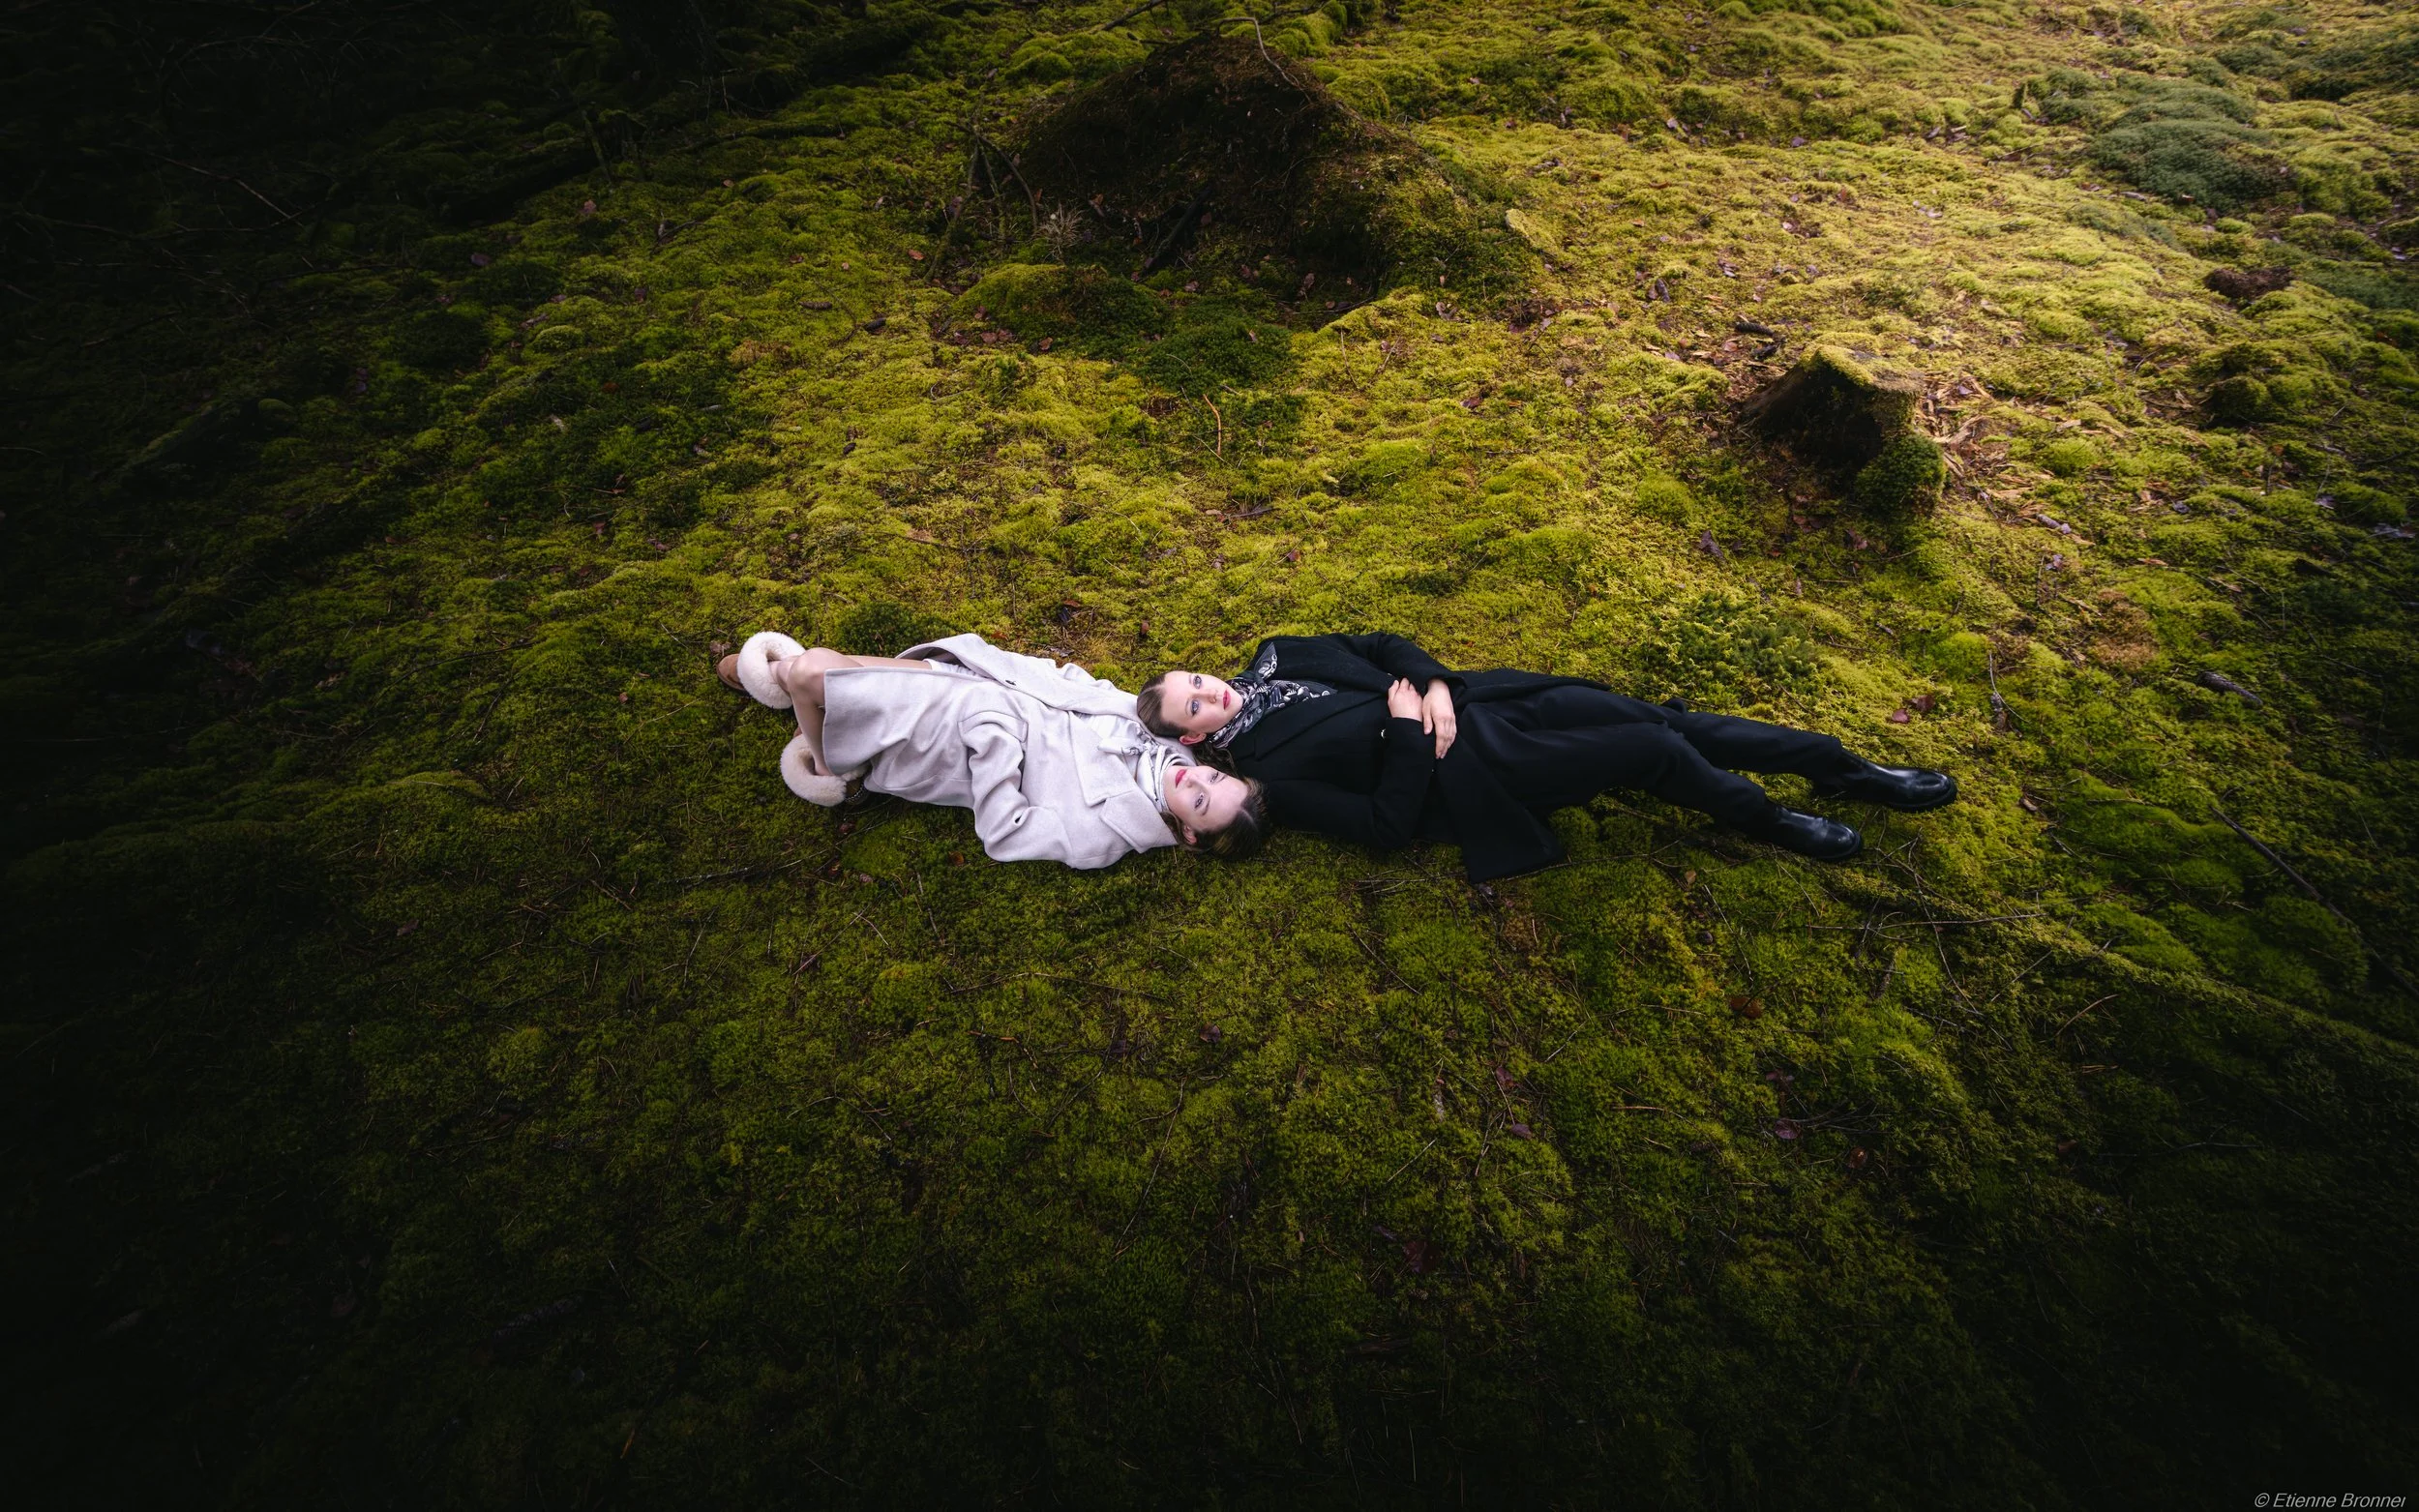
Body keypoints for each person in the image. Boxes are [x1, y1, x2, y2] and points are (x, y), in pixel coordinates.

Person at [1135, 632, 1955, 880]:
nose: (1214, 693)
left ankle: (1847, 771)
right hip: (1480, 767)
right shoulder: (1262, 777)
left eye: (1200, 679)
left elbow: (1378, 641)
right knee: (1651, 747)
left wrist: (1433, 684)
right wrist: (1407, 729)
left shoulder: (1277, 654)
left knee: (1671, 719)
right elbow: (1388, 821)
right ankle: (1768, 819)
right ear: (1196, 738)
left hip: (1487, 699)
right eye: (1196, 706)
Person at [719, 631, 1266, 868]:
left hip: (949, 736)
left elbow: (1004, 833)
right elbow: (1085, 684)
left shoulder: (1105, 836)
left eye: (1198, 802)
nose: (1193, 783)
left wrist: (994, 739)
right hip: (976, 680)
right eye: (1213, 780)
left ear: (1190, 833)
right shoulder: (1171, 742)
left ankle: (828, 764)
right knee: (811, 669)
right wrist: (1032, 674)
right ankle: (797, 696)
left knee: (810, 669)